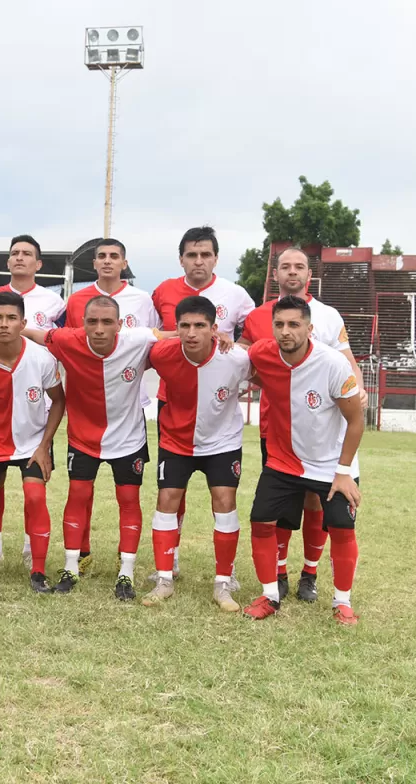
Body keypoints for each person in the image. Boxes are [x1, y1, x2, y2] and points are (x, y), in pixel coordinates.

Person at [0, 295, 159, 600]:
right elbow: (25, 331)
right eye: (92, 321)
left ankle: (126, 573)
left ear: (120, 325)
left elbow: (179, 336)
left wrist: (215, 336)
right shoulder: (67, 339)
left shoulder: (138, 339)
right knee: (78, 496)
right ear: (82, 324)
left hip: (129, 437)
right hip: (83, 437)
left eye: (107, 322)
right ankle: (70, 568)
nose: (98, 328)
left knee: (128, 499)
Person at [239, 247, 367, 603]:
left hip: (324, 438)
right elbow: (243, 359)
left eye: (299, 266)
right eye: (285, 266)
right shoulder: (257, 318)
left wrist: (356, 390)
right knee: (275, 509)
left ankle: (311, 575)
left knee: (319, 504)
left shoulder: (328, 317)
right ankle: (276, 579)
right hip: (277, 431)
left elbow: (346, 362)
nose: (292, 272)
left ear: (309, 273)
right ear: (275, 274)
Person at [150, 226, 255, 581]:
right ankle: (170, 561)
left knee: (223, 497)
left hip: (218, 401)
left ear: (215, 258)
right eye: (192, 255)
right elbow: (148, 340)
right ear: (181, 258)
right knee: (170, 493)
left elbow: (254, 336)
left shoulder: (236, 294)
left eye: (205, 254)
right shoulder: (163, 291)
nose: (198, 261)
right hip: (174, 401)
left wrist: (231, 344)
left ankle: (227, 572)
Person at [0, 234, 66, 569]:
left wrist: (45, 446)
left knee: (35, 495)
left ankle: (33, 561)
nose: (4, 323)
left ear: (24, 322)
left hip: (33, 437)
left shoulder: (45, 342)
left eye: (11, 319)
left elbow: (59, 399)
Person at [143, 296, 251, 612]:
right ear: (176, 328)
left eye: (200, 326)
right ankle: (164, 579)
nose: (191, 333)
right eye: (185, 326)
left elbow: (264, 374)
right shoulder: (162, 354)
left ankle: (223, 583)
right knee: (166, 501)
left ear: (214, 329)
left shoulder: (237, 360)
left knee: (225, 504)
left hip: (222, 443)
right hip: (176, 441)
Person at [62, 238, 159, 574]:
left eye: (113, 256)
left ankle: (126, 566)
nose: (106, 261)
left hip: (128, 407)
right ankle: (80, 556)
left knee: (129, 498)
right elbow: (67, 341)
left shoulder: (142, 299)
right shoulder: (75, 300)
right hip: (85, 410)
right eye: (101, 256)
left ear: (124, 262)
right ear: (93, 263)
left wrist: (126, 366)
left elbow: (157, 341)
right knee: (79, 492)